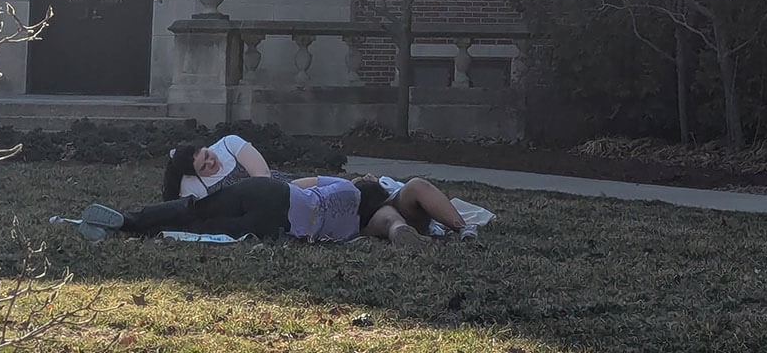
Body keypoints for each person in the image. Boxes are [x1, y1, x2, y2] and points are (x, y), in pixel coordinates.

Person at [79, 175, 363, 244]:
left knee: (195, 209)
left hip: (272, 191)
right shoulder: (352, 231)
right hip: (276, 223)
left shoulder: (349, 187)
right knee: (201, 230)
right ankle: (130, 233)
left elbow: (301, 182)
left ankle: (129, 220)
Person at [162, 134, 294, 201]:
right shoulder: (193, 186)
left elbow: (263, 176)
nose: (210, 162)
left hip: (275, 187)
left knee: (302, 190)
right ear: (195, 174)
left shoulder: (229, 144)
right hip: (247, 212)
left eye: (207, 155)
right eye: (203, 167)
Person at [352, 175, 479, 244]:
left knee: (416, 185)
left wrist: (379, 181)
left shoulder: (385, 185)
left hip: (388, 202)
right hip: (365, 215)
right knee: (390, 219)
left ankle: (463, 228)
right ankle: (403, 233)